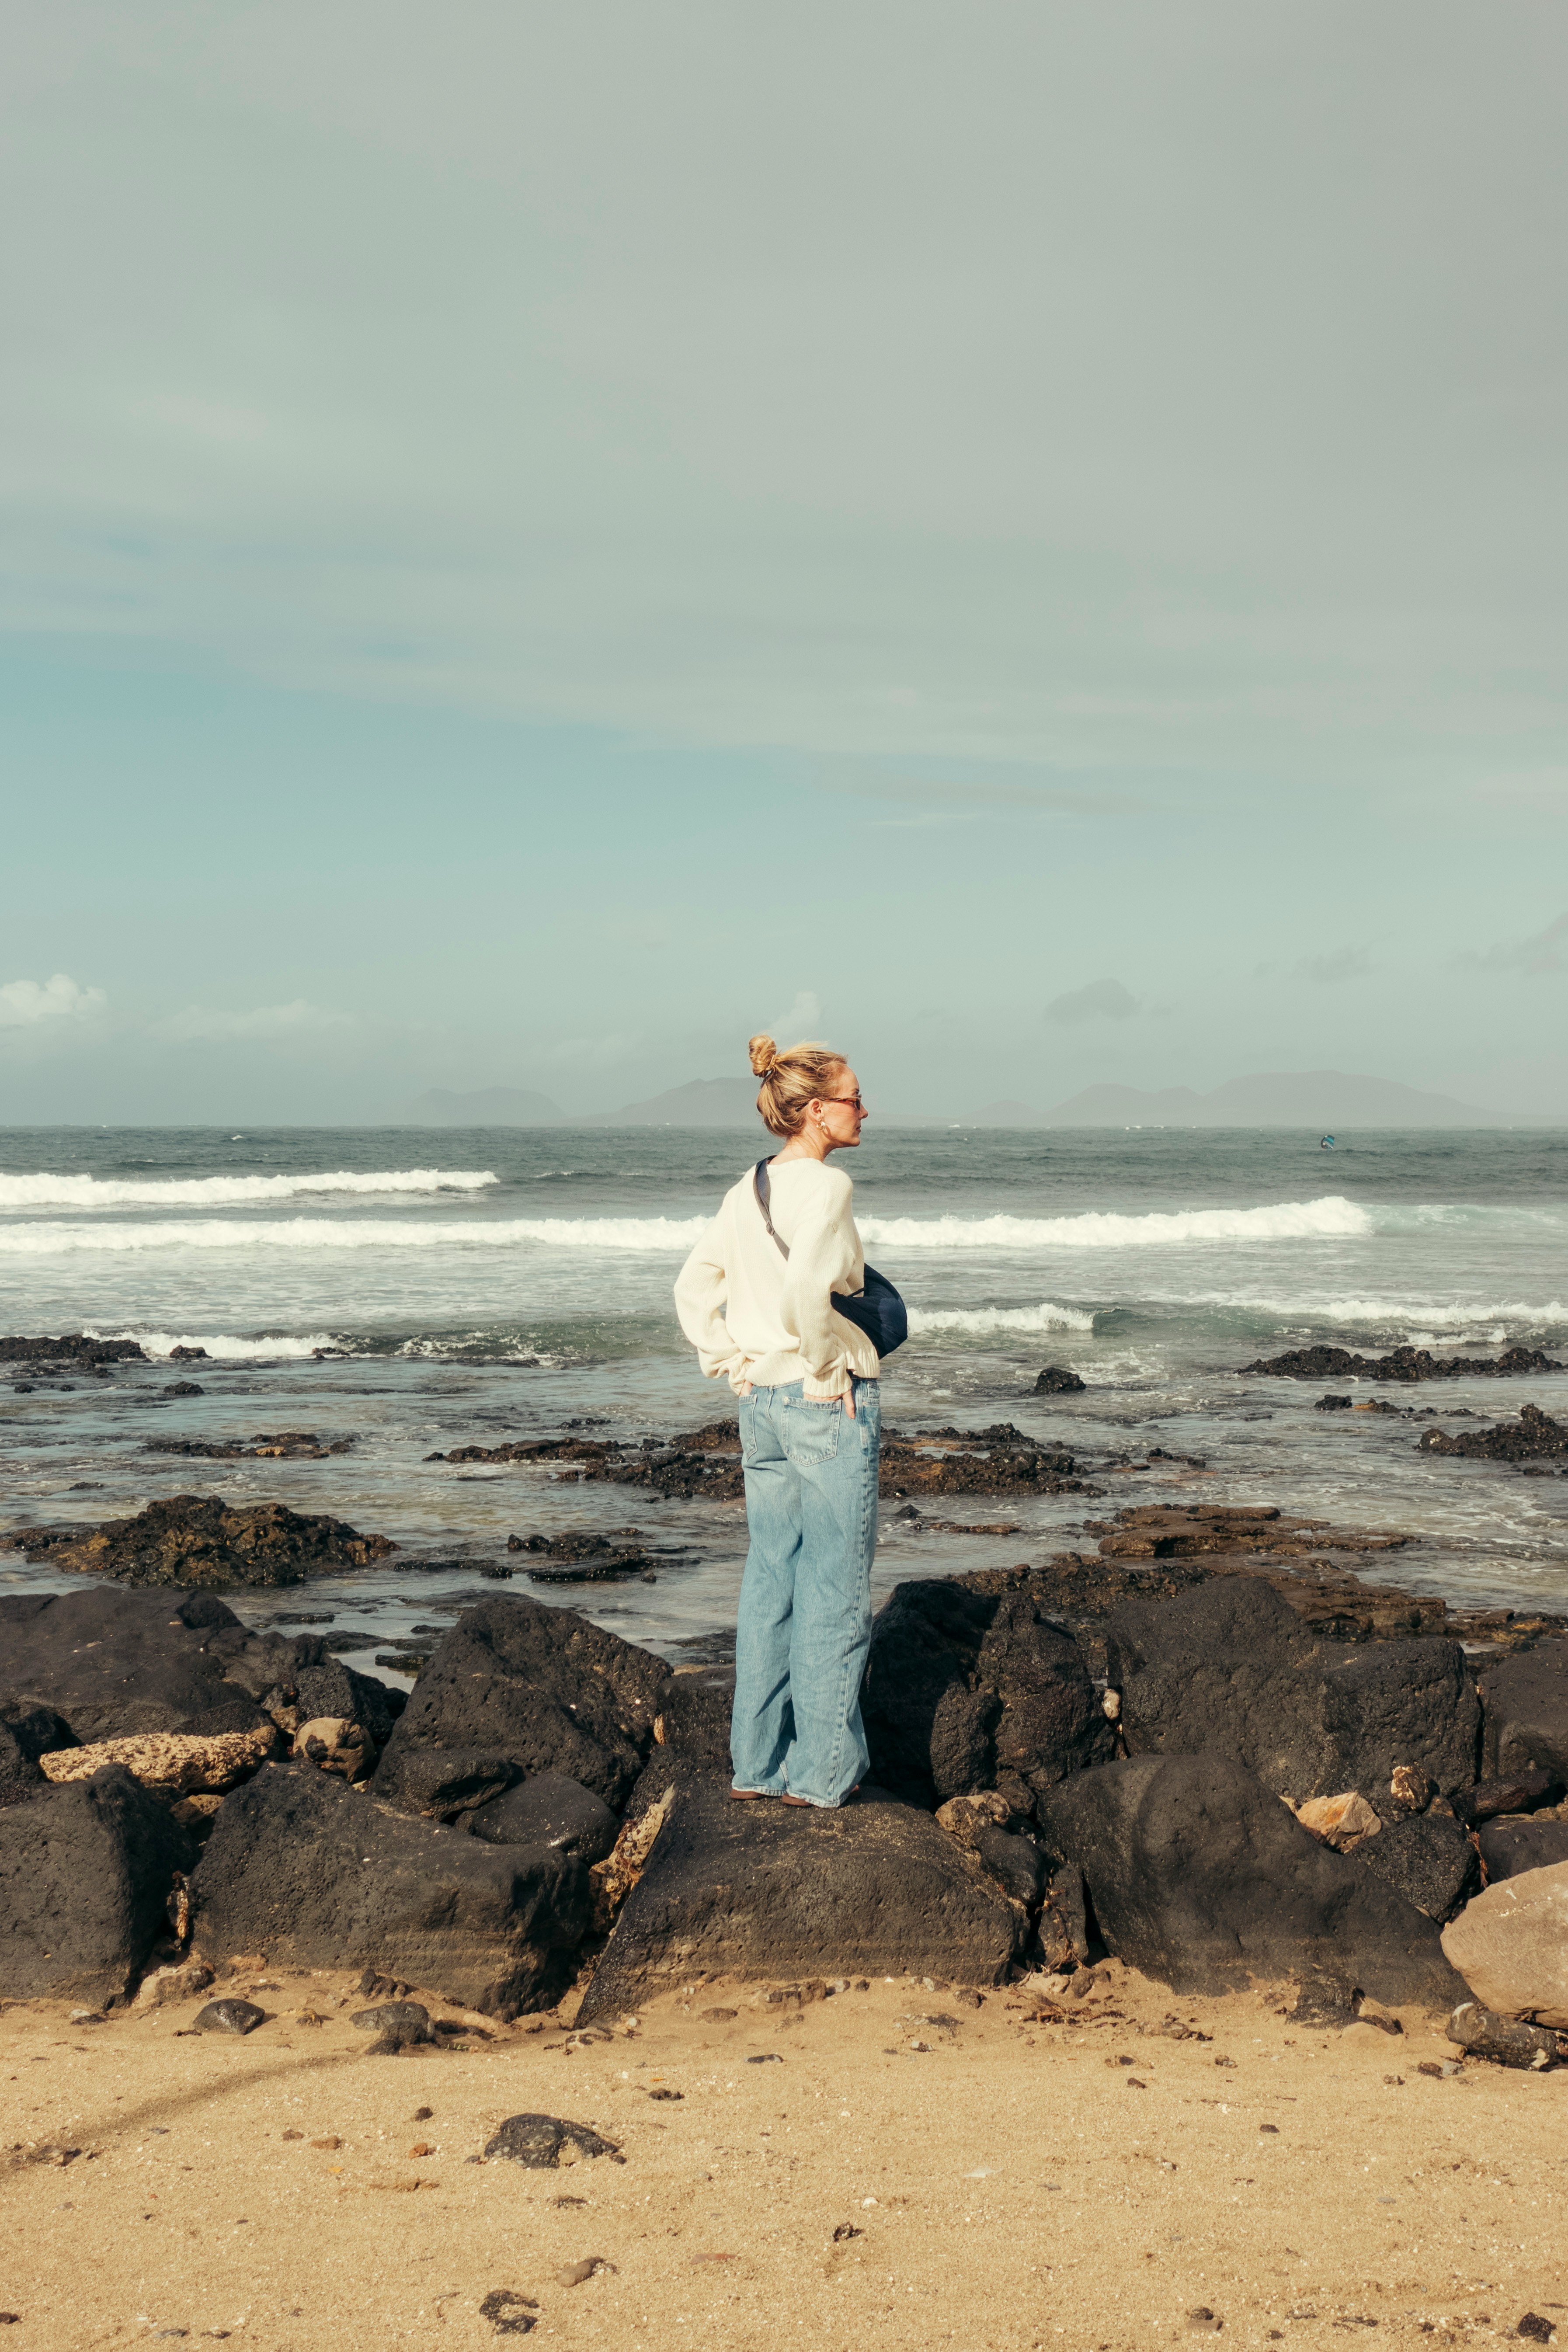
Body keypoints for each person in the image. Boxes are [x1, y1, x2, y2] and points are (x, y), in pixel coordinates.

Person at [673, 1034, 882, 1808]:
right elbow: (806, 1290)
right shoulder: (827, 1189)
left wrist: (732, 1364)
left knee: (771, 1582)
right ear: (818, 1110)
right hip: (822, 1400)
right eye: (856, 1097)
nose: (866, 1108)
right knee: (833, 1588)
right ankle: (822, 1774)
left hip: (760, 1404)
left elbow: (693, 1288)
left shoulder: (747, 1188)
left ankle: (755, 1766)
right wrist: (825, 1371)